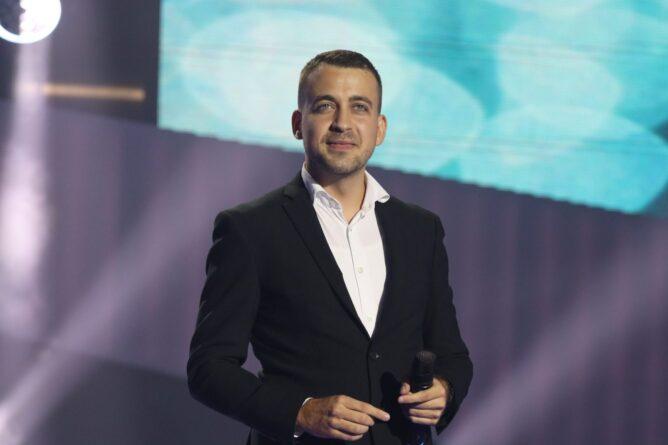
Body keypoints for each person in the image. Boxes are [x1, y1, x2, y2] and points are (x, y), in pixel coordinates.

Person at [187, 49, 472, 445]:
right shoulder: (249, 228)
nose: (342, 123)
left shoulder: (421, 230)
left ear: (380, 128)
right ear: (298, 123)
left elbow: (451, 355)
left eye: (359, 107)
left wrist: (444, 389)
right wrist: (300, 411)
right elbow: (208, 367)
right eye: (325, 106)